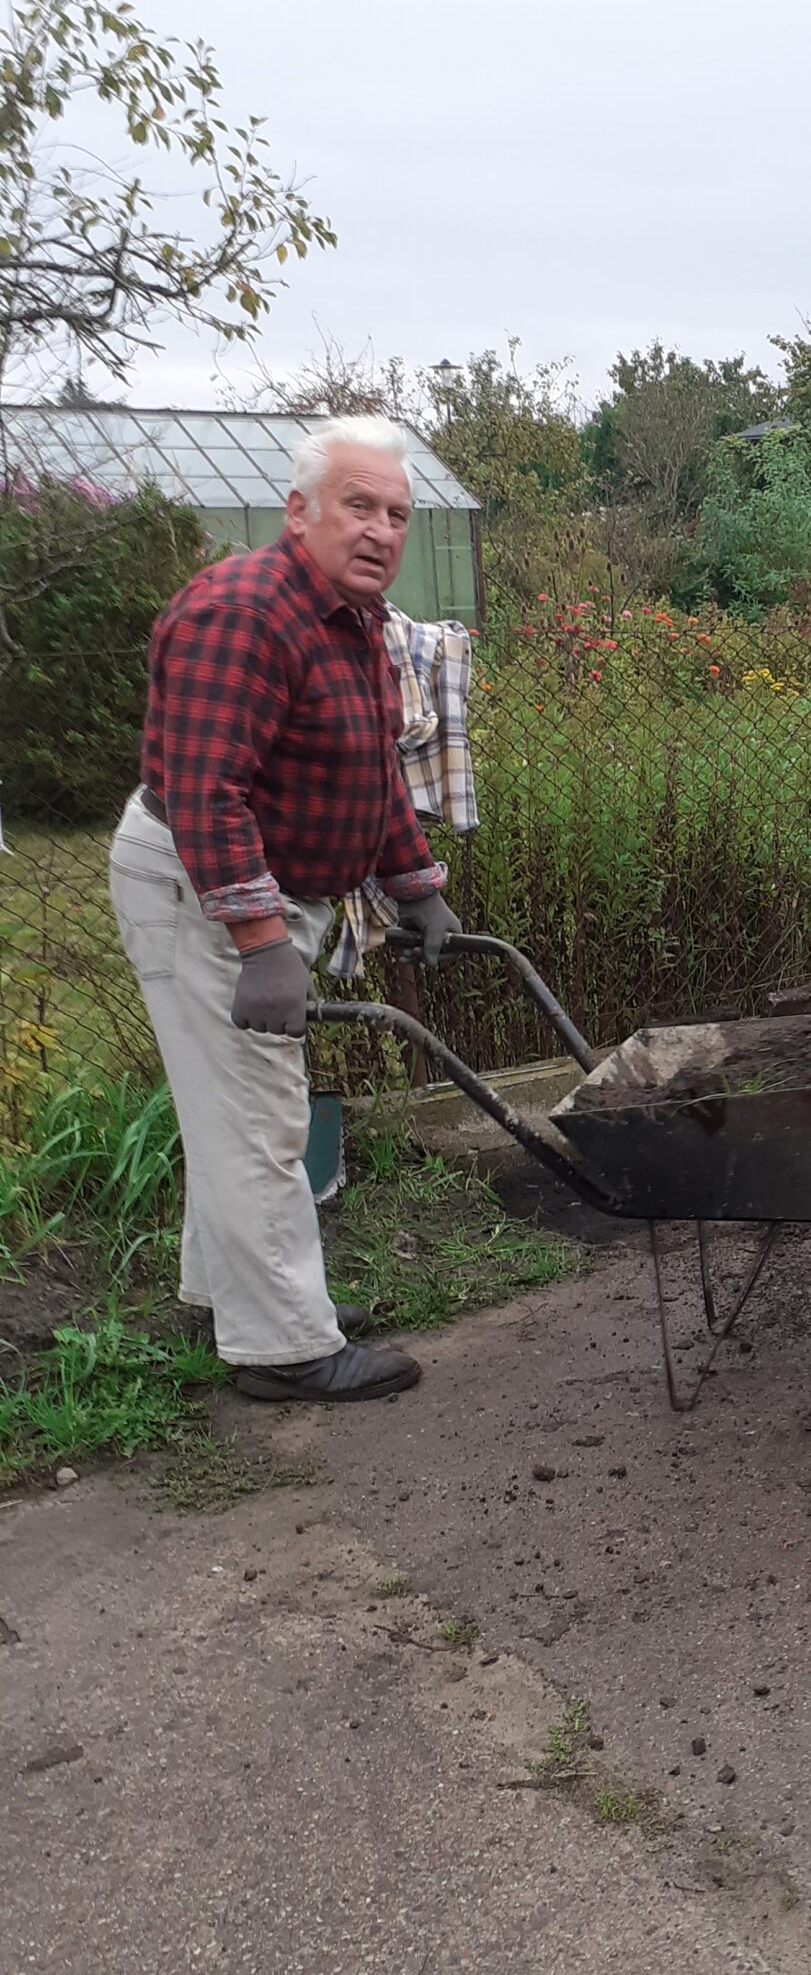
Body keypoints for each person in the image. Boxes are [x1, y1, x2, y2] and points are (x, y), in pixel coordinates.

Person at [107, 416, 460, 1401]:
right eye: (359, 505)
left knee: (229, 1110)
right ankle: (283, 1348)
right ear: (298, 510)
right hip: (202, 893)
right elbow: (205, 790)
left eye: (397, 514)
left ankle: (235, 1297)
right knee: (259, 1118)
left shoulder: (352, 619)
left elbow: (369, 770)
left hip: (251, 893)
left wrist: (416, 884)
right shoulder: (245, 612)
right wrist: (261, 940)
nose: (380, 530)